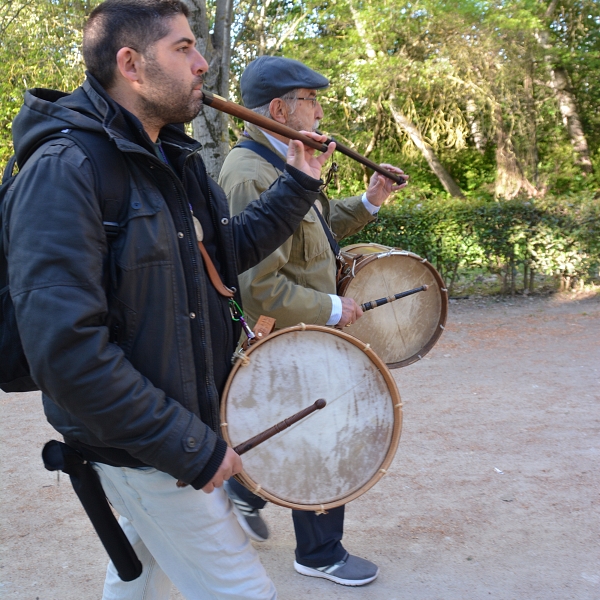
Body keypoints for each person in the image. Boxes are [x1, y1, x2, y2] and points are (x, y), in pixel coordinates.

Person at [3, 2, 336, 599]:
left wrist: (298, 181)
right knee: (245, 591)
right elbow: (66, 349)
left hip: (170, 426)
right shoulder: (64, 168)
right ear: (130, 64)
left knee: (139, 568)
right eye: (183, 49)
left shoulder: (170, 157)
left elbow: (222, 253)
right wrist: (189, 445)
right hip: (145, 440)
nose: (202, 63)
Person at [218, 55, 407, 587]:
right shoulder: (250, 174)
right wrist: (333, 308)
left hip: (304, 335)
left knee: (301, 426)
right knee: (323, 432)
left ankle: (246, 488)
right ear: (279, 108)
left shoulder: (288, 159)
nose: (320, 111)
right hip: (286, 336)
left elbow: (314, 231)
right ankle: (320, 553)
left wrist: (371, 200)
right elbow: (258, 288)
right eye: (311, 100)